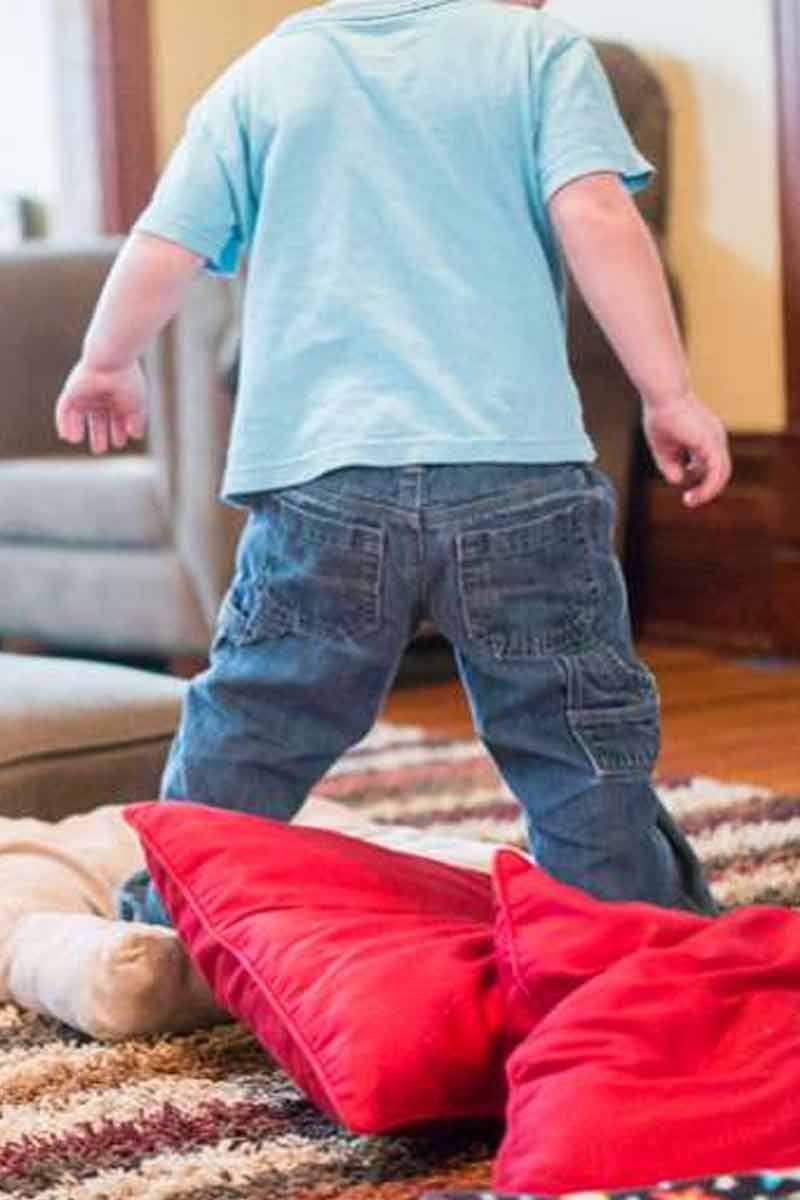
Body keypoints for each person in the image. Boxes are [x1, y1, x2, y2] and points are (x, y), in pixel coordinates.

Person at [54, 0, 730, 922]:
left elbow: (164, 241)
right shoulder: (537, 53)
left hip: (325, 489)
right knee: (573, 730)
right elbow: (600, 215)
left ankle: (171, 920)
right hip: (518, 479)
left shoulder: (265, 75)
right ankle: (625, 928)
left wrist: (106, 360)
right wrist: (668, 393)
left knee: (255, 722)